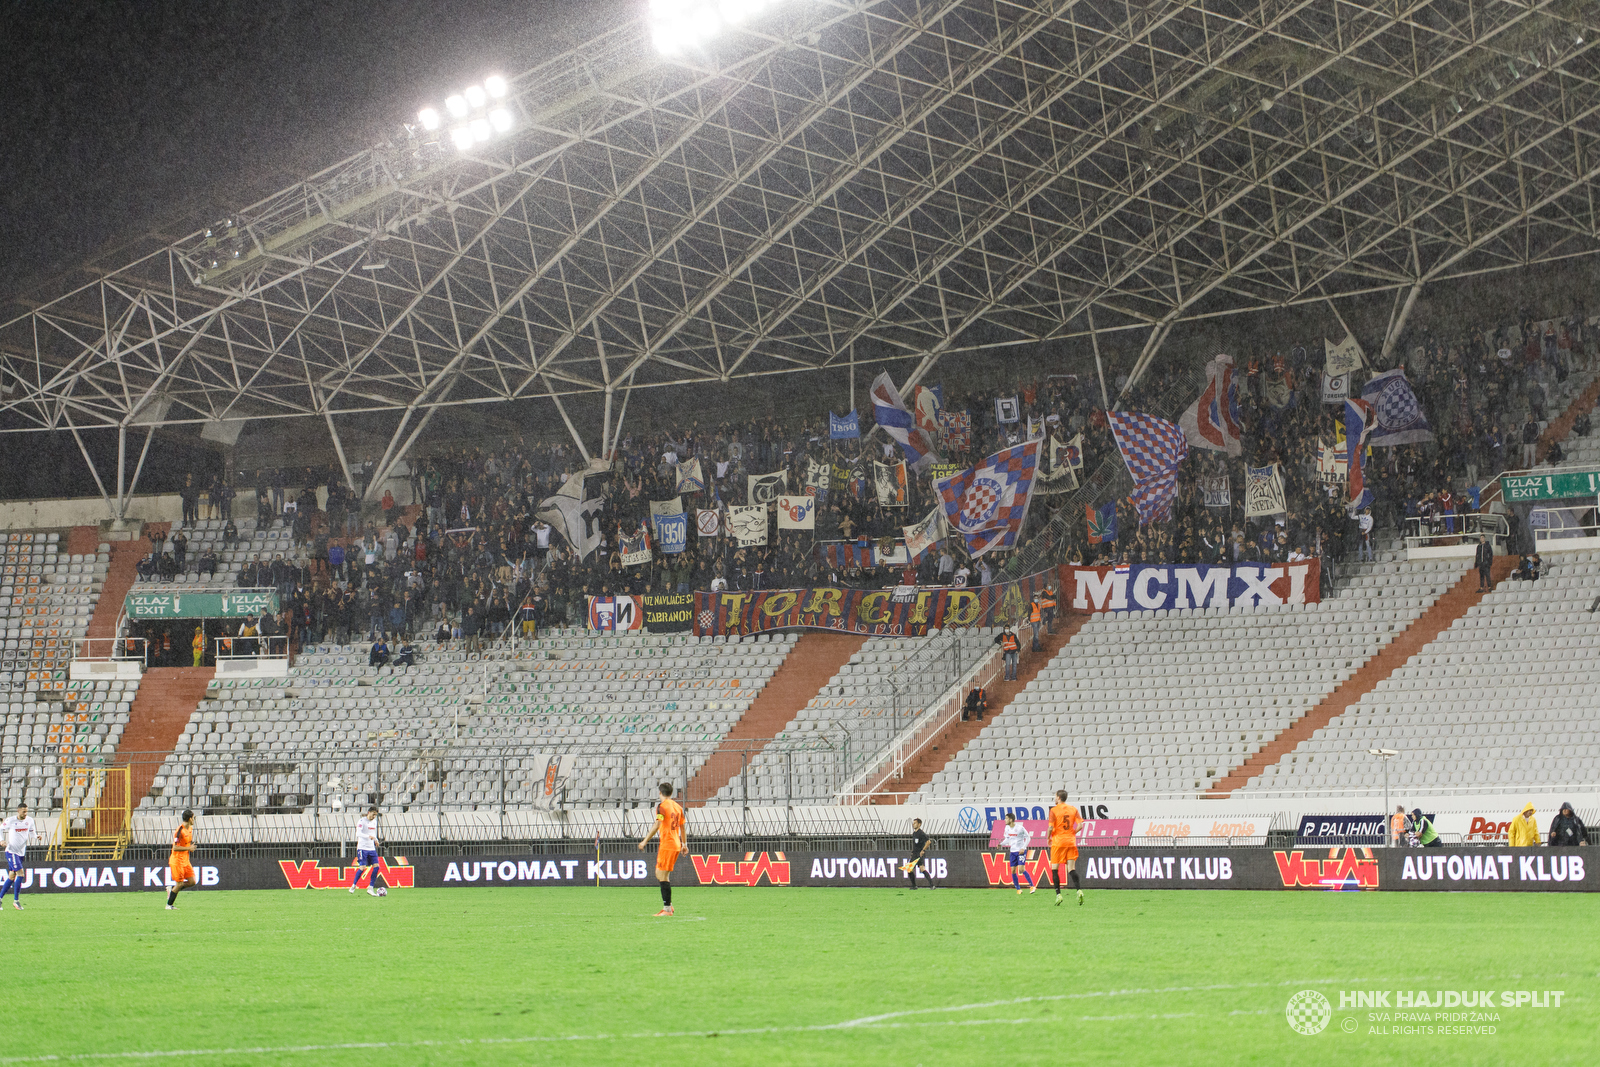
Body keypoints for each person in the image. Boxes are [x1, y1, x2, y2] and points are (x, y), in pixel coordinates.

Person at [638, 781, 685, 916]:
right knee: (664, 875)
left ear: (660, 793)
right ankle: (669, 905)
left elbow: (658, 823)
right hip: (676, 844)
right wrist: (684, 844)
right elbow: (682, 827)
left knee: (661, 875)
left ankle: (667, 909)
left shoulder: (662, 807)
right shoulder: (678, 807)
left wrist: (645, 840)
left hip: (668, 844)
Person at [1047, 789, 1084, 906]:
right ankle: (1079, 890)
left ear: (1058, 797)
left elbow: (1050, 828)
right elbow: (1080, 825)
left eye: (1055, 796)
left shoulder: (1053, 810)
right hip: (1070, 842)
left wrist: (1048, 837)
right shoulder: (1073, 809)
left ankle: (1058, 895)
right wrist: (1072, 833)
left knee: (1054, 869)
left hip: (1058, 842)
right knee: (1071, 869)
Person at [0, 803, 38, 910]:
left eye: (26, 811)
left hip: (21, 852)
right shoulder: (11, 820)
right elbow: (0, 829)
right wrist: (1, 840)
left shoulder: (29, 820)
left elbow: (32, 832)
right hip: (11, 851)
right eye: (23, 811)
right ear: (18, 811)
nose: (25, 813)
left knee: (12, 876)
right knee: (20, 873)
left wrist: (36, 836)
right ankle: (16, 901)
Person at [350, 807, 387, 896]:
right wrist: (368, 837)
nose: (374, 816)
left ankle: (370, 888)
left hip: (371, 848)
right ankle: (354, 885)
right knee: (362, 868)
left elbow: (373, 833)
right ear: (368, 812)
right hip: (362, 848)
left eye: (375, 815)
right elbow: (358, 834)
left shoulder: (374, 822)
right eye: (373, 814)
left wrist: (376, 839)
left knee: (377, 867)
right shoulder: (362, 821)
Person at [166, 809, 198, 910]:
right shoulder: (179, 831)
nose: (194, 820)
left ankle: (172, 889)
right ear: (190, 818)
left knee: (192, 881)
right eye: (193, 818)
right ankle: (169, 905)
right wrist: (189, 848)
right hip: (177, 861)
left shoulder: (190, 828)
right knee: (179, 884)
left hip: (185, 860)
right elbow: (175, 847)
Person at [1000, 812, 1037, 896]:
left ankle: (1032, 886)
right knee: (1013, 870)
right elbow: (1007, 839)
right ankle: (1018, 889)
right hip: (1012, 851)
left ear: (1011, 819)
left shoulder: (1020, 828)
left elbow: (1028, 837)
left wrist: (1023, 848)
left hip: (1020, 851)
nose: (1005, 820)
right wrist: (1001, 844)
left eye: (1006, 818)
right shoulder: (1007, 828)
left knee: (1021, 869)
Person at [902, 818, 935, 889]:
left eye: (915, 823)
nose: (913, 824)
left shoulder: (921, 833)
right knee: (918, 869)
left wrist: (923, 850)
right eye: (913, 823)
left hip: (919, 854)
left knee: (914, 869)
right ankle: (931, 885)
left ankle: (915, 885)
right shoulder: (914, 833)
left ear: (919, 824)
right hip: (915, 854)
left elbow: (928, 842)